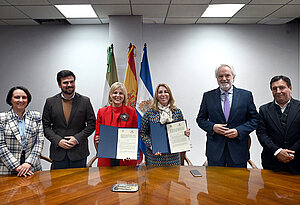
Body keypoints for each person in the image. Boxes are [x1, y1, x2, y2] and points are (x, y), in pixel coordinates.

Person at [196, 64, 258, 168]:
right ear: (217, 78)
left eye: (227, 75)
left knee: (238, 184)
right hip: (215, 152)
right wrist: (212, 127)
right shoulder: (208, 96)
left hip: (238, 152)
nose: (224, 79)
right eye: (220, 76)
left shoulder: (246, 96)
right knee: (214, 184)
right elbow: (200, 119)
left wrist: (238, 131)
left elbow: (255, 120)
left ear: (233, 77)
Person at [42, 70, 96, 169]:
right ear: (59, 85)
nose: (69, 85)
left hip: (79, 153)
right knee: (58, 184)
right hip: (58, 153)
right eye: (65, 82)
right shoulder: (50, 102)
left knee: (80, 184)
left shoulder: (85, 101)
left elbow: (92, 124)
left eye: (72, 82)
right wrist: (58, 141)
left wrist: (77, 139)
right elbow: (45, 127)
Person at [256, 75, 300, 174]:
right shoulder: (264, 110)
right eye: (274, 89)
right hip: (272, 162)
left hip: (297, 163)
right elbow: (261, 134)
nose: (278, 91)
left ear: (290, 88)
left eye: (282, 87)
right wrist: (278, 151)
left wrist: (290, 154)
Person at [140, 83, 190, 166]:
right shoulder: (149, 113)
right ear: (156, 96)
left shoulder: (177, 112)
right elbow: (143, 133)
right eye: (160, 92)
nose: (163, 94)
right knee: (154, 179)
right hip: (154, 157)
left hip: (173, 158)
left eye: (166, 92)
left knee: (173, 179)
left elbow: (182, 131)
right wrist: (151, 145)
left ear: (169, 94)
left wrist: (186, 134)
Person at [94, 82, 142, 166]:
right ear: (110, 95)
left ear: (124, 96)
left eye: (121, 93)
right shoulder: (101, 112)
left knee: (125, 178)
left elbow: (135, 135)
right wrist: (97, 139)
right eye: (115, 92)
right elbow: (97, 133)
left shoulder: (132, 112)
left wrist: (130, 150)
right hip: (106, 157)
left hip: (126, 158)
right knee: (106, 179)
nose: (118, 95)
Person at [0, 86, 44, 176]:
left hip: (32, 167)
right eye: (17, 97)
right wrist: (17, 167)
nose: (21, 100)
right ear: (10, 100)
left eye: (24, 97)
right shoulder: (2, 118)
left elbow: (39, 142)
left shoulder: (36, 116)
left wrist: (28, 163)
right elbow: (1, 146)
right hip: (8, 167)